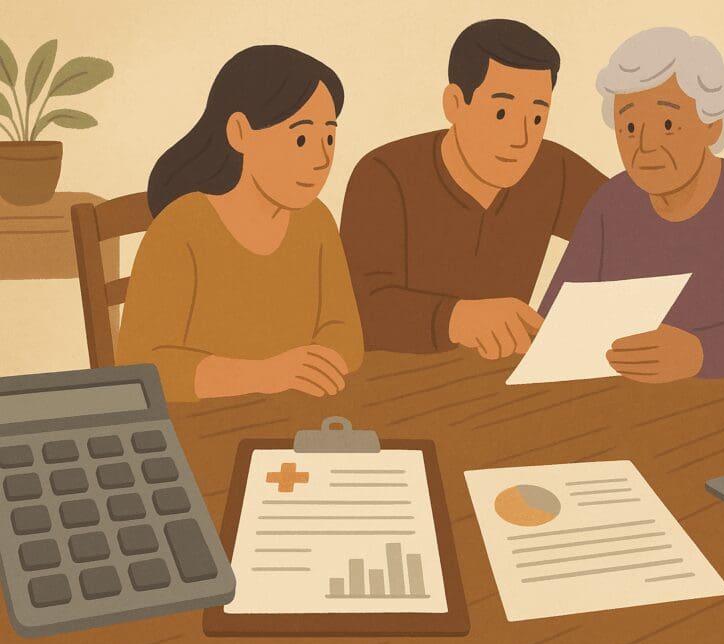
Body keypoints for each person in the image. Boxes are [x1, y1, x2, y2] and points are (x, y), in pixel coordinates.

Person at [540, 28, 724, 382]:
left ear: (712, 125)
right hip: (624, 403)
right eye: (629, 125)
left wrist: (700, 353)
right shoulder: (611, 203)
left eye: (667, 124)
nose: (645, 144)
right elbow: (556, 318)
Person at [340, 19, 606, 360]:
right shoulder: (384, 175)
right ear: (454, 103)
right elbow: (359, 311)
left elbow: (631, 220)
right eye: (501, 112)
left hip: (500, 380)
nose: (521, 138)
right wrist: (457, 318)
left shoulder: (553, 169)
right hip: (395, 384)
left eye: (538, 118)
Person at [117, 45, 364, 402]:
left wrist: (317, 364)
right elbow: (141, 366)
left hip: (293, 414)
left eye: (329, 137)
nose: (321, 158)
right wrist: (265, 374)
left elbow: (344, 331)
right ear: (239, 132)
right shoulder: (181, 229)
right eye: (300, 138)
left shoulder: (316, 221)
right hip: (200, 427)